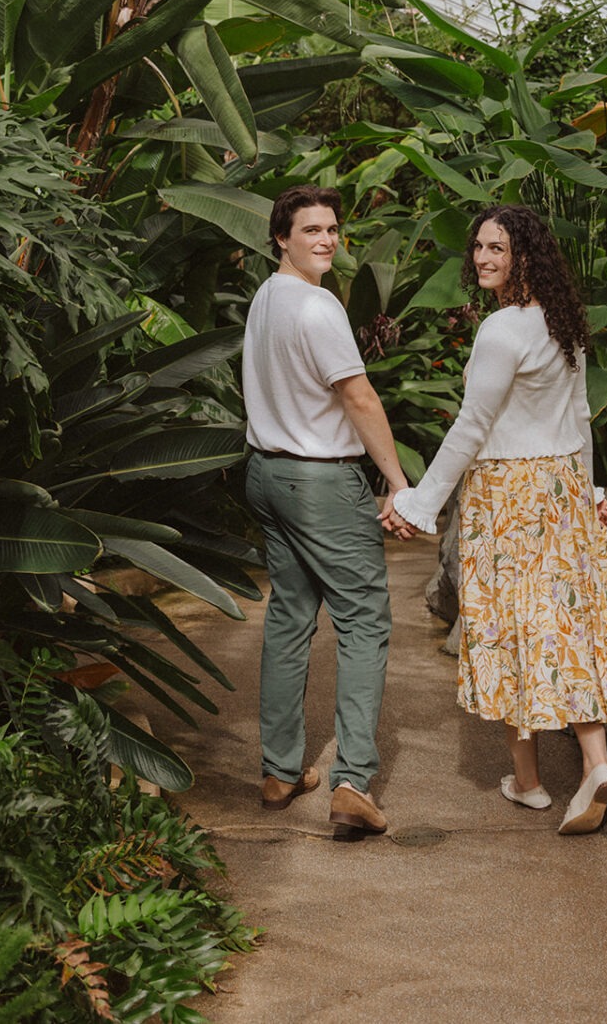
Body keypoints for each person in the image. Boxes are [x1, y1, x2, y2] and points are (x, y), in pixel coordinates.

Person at [382, 204, 607, 834]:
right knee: (562, 617)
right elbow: (579, 420)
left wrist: (420, 502)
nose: (484, 258)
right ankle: (594, 764)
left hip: (507, 491)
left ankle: (531, 781)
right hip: (561, 483)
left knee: (513, 625)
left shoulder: (500, 332)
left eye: (499, 248)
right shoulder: (560, 322)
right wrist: (592, 486)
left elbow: (471, 427)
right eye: (480, 247)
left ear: (526, 256)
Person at [243, 185, 409, 840]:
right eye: (311, 229)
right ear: (280, 237)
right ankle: (353, 784)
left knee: (289, 614)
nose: (326, 239)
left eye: (333, 229)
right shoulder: (318, 307)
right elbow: (359, 396)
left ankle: (281, 771)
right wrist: (397, 482)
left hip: (266, 473)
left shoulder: (265, 299)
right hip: (318, 481)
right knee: (365, 618)